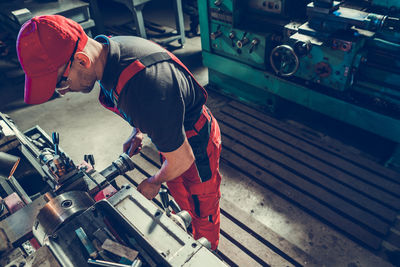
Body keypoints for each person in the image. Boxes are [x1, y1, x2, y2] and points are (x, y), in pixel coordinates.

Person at [16, 15, 222, 250]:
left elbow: (183, 158)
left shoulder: (148, 87)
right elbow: (146, 104)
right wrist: (138, 131)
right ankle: (186, 227)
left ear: (82, 61)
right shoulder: (108, 53)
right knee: (181, 194)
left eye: (62, 84)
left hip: (195, 144)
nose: (64, 92)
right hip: (172, 138)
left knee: (202, 206)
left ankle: (206, 251)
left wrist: (153, 182)